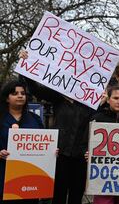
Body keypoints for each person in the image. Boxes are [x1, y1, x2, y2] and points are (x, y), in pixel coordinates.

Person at [19, 50, 96, 204]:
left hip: (80, 157)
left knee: (76, 196)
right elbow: (35, 89)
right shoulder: (58, 97)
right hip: (60, 155)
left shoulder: (91, 103)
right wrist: (25, 64)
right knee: (58, 196)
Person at [0, 80, 44, 203]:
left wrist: (51, 151)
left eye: (23, 93)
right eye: (15, 93)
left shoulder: (35, 119)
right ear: (7, 98)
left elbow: (43, 143)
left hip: (29, 176)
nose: (20, 96)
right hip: (4, 175)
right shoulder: (1, 118)